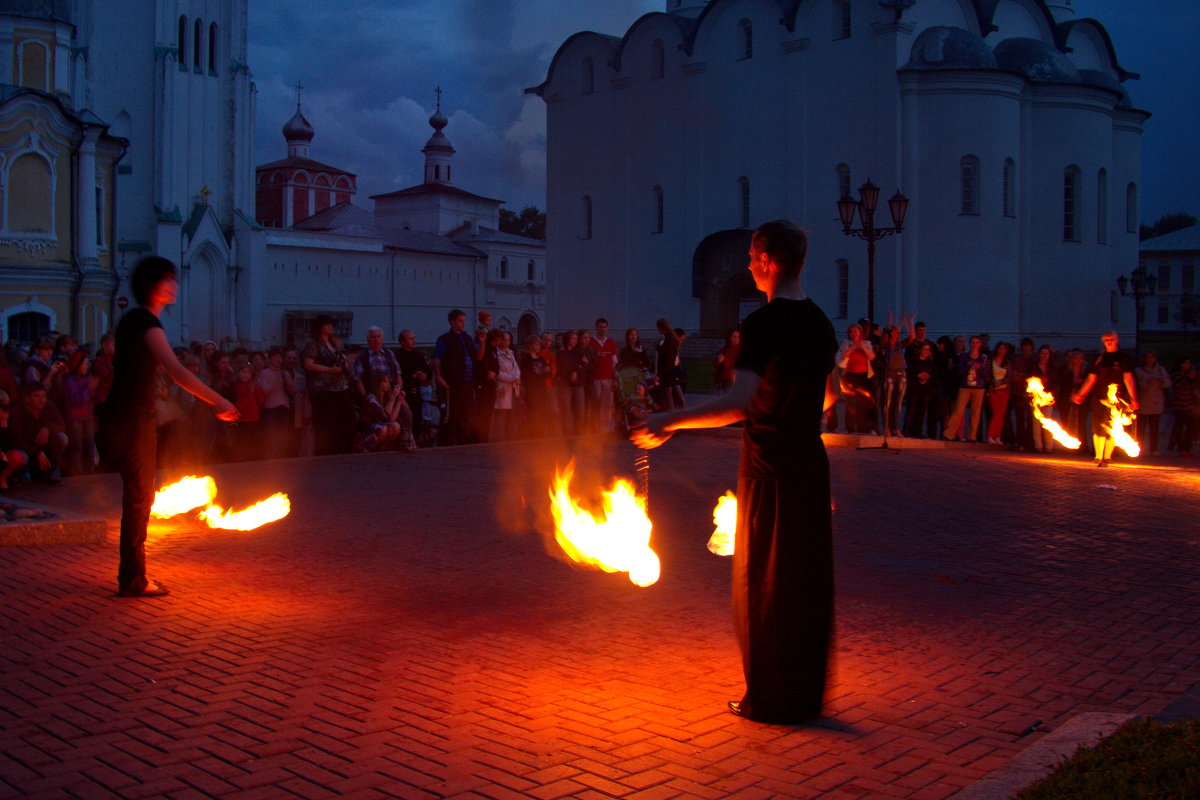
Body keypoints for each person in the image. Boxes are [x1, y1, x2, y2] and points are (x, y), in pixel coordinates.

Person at [633, 219, 838, 724]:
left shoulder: (763, 326)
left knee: (764, 585)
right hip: (810, 466)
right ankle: (805, 695)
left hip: (769, 468)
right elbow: (830, 397)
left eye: (751, 257)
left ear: (767, 261)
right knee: (805, 581)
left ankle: (770, 698)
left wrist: (671, 420)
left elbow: (741, 403)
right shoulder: (820, 322)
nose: (748, 265)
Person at [100, 256, 237, 598]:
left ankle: (132, 574)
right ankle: (133, 579)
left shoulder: (133, 320)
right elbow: (176, 370)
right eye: (168, 280)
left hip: (126, 415)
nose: (174, 285)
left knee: (138, 496)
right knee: (138, 498)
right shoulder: (146, 323)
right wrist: (217, 401)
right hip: (133, 418)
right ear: (152, 285)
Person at [1071, 331, 1138, 467]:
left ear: (1117, 340)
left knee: (1114, 425)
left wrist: (1133, 398)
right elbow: (1091, 378)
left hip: (1117, 398)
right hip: (1100, 397)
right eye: (1106, 339)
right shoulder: (1099, 358)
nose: (1109, 341)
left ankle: (1107, 457)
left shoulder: (1124, 358)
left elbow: (1128, 378)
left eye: (1111, 339)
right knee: (1098, 426)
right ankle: (1098, 456)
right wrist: (1081, 394)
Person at [303, 315, 355, 455]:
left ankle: (343, 450)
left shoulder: (335, 343)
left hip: (340, 386)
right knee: (326, 423)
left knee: (347, 418)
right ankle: (325, 453)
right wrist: (330, 370)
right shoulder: (314, 344)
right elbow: (308, 364)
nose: (331, 326)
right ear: (320, 327)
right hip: (324, 388)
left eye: (331, 324)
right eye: (327, 324)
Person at [431, 309, 477, 446]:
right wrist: (439, 376)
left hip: (467, 383)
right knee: (451, 415)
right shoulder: (445, 340)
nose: (463, 324)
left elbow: (477, 356)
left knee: (465, 415)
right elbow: (436, 358)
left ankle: (463, 443)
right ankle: (446, 444)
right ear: (452, 322)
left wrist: (482, 341)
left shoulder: (467, 338)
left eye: (464, 321)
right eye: (460, 321)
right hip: (453, 383)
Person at [11, 383, 67, 482]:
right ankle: (22, 474)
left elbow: (62, 425)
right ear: (27, 398)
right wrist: (37, 452)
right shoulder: (18, 412)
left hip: (45, 448)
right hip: (27, 449)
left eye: (43, 396)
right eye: (37, 396)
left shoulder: (49, 406)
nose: (41, 400)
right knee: (22, 456)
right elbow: (16, 440)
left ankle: (49, 470)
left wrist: (48, 429)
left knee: (62, 438)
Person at [944, 336, 989, 443]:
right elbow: (959, 370)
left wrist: (978, 368)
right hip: (965, 386)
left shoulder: (984, 358)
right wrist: (968, 366)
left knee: (975, 412)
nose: (974, 344)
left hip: (979, 387)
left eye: (977, 342)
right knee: (958, 410)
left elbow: (985, 373)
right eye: (973, 342)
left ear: (980, 344)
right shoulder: (965, 356)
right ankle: (948, 434)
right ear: (970, 344)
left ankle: (972, 436)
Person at [62, 351, 99, 474]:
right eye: (84, 364)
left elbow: (94, 398)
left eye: (87, 364)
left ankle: (90, 473)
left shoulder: (87, 380)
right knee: (77, 448)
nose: (86, 366)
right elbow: (76, 400)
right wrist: (89, 389)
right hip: (75, 419)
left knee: (89, 447)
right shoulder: (69, 382)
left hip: (87, 417)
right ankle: (77, 474)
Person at [836, 323, 874, 434]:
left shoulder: (867, 343)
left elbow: (871, 356)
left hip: (863, 376)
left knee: (863, 403)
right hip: (850, 376)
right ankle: (850, 428)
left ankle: (863, 428)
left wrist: (861, 345)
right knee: (850, 403)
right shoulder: (846, 343)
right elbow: (844, 355)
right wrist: (854, 345)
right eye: (851, 332)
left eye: (855, 331)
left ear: (860, 332)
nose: (853, 334)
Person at [395, 330, 430, 442]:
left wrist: (424, 376)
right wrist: (411, 376)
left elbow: (428, 372)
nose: (414, 341)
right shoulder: (397, 356)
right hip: (403, 393)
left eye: (414, 338)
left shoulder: (417, 355)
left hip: (416, 393)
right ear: (402, 341)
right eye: (411, 339)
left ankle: (415, 440)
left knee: (416, 419)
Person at [1134, 350, 1170, 457]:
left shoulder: (1160, 369)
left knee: (1154, 428)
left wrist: (1161, 380)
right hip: (1143, 402)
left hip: (1156, 403)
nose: (1150, 359)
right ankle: (1138, 448)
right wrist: (1146, 381)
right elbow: (1137, 385)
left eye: (1152, 357)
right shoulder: (1138, 370)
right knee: (1140, 429)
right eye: (1148, 357)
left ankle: (1154, 448)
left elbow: (1168, 383)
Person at [904, 341, 941, 439]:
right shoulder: (913, 361)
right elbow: (909, 372)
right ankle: (907, 430)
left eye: (928, 350)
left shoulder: (930, 362)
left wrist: (928, 375)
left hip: (925, 390)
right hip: (914, 389)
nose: (926, 352)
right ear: (920, 350)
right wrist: (917, 375)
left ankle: (917, 431)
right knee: (912, 409)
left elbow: (935, 374)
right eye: (925, 349)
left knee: (922, 411)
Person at [589, 318, 619, 432]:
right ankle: (595, 427)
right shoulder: (591, 343)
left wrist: (615, 378)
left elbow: (614, 362)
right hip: (595, 379)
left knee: (607, 405)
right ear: (596, 328)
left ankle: (606, 428)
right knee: (595, 405)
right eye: (600, 327)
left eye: (604, 327)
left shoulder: (611, 342)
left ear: (607, 328)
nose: (602, 329)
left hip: (608, 378)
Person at [984, 342, 1012, 445]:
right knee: (996, 413)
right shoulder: (990, 362)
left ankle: (997, 436)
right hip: (993, 391)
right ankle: (990, 436)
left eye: (1004, 349)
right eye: (1000, 348)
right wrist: (993, 382)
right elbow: (986, 375)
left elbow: (1010, 376)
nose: (1002, 351)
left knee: (1002, 415)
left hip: (1005, 391)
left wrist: (1002, 381)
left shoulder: (1007, 363)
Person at [0, 390, 26, 489]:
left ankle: (2, 479)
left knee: (19, 456)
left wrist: (4, 424)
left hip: (3, 455)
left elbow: (10, 444)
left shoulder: (8, 418)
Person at [713, 328, 740, 394]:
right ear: (729, 338)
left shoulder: (741, 350)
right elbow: (715, 362)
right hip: (727, 379)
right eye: (734, 337)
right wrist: (719, 361)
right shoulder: (724, 350)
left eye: (738, 337)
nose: (737, 339)